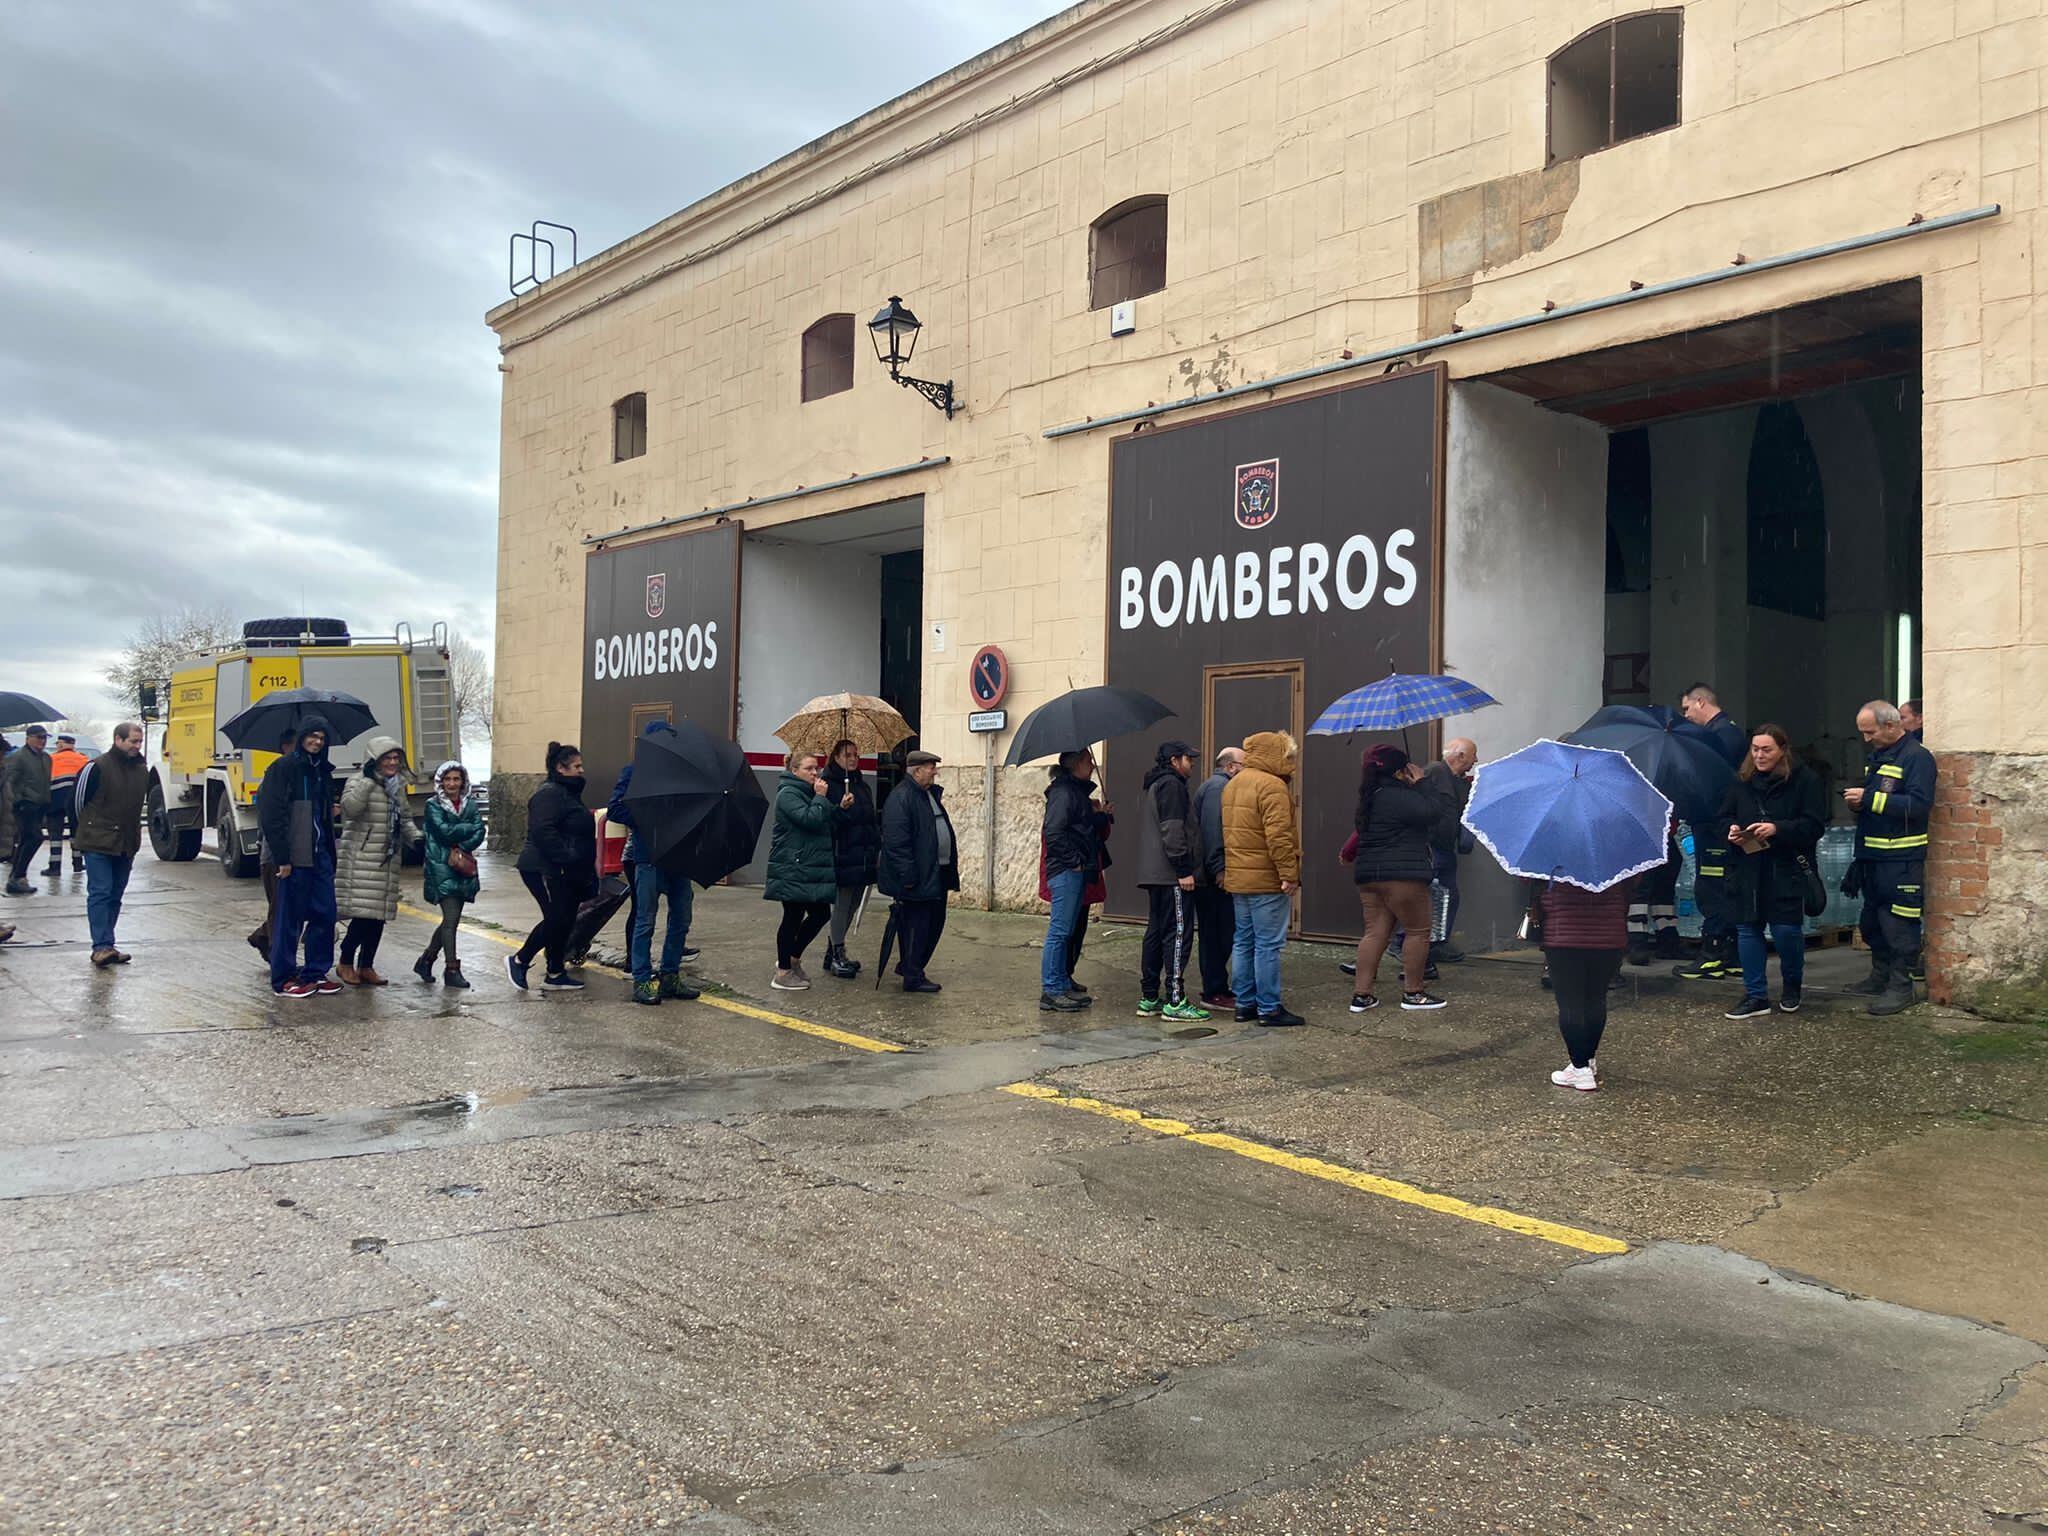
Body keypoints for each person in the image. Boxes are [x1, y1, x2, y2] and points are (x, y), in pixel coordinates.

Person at [1717, 725, 1826, 1020]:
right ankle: (1755, 996)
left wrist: (1778, 828)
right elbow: (1725, 814)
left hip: (1786, 866)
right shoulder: (1741, 782)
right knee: (1747, 930)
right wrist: (1730, 830)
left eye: (1767, 750)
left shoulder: (1805, 781)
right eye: (1755, 749)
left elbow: (1815, 825)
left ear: (1782, 750)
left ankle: (1792, 986)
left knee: (1785, 931)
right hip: (1748, 868)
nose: (1760, 755)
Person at [1341, 744, 1454, 1012]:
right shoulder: (1399, 796)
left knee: (1374, 933)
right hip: (1404, 875)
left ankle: (1362, 995)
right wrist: (1423, 783)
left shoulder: (1370, 796)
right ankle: (1414, 993)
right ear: (1400, 770)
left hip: (1370, 876)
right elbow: (1433, 812)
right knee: (1417, 931)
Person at [1844, 700, 1935, 1017]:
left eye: (1870, 732)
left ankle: (1902, 986)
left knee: (1899, 926)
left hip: (1901, 859)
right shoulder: (1880, 757)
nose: (1867, 739)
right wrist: (1861, 805)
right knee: (1872, 924)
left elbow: (1918, 806)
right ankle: (1879, 976)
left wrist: (1869, 798)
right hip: (1873, 856)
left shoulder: (1917, 758)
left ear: (1891, 726)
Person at [605, 722, 702, 1006]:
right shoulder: (634, 771)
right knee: (645, 919)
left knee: (681, 918)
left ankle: (670, 975)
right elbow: (615, 809)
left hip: (680, 856)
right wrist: (651, 817)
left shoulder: (683, 774)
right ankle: (642, 978)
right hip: (649, 857)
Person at [255, 716, 342, 999]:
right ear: (302, 737)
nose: (317, 742)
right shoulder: (283, 768)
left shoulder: (322, 771)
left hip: (320, 855)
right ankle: (284, 978)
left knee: (325, 914)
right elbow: (271, 815)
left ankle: (315, 972)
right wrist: (283, 858)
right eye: (312, 736)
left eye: (321, 737)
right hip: (296, 856)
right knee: (288, 920)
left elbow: (320, 814)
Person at [1222, 731, 1303, 1028]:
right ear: (1274, 755)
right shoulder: (1272, 786)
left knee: (1243, 941)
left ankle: (1244, 1004)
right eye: (1288, 756)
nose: (1292, 763)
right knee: (1268, 944)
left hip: (1239, 877)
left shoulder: (1235, 784)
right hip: (1266, 879)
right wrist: (1289, 874)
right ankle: (1269, 1008)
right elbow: (1278, 837)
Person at [508, 742, 595, 993]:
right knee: (556, 918)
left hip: (564, 870)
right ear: (561, 767)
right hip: (544, 868)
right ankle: (520, 960)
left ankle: (555, 971)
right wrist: (568, 857)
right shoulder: (550, 794)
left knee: (564, 919)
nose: (581, 770)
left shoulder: (567, 793)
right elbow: (543, 831)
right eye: (576, 766)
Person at [1674, 684, 1747, 981]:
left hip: (1714, 823)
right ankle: (1731, 954)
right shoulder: (1727, 733)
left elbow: (1712, 781)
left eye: (1687, 708)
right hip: (1716, 822)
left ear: (1701, 702)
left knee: (1713, 887)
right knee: (1723, 886)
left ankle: (1713, 952)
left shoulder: (1720, 737)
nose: (1686, 715)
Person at [1535, 875, 1635, 1091]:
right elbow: (1630, 887)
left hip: (1564, 936)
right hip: (1609, 936)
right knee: (1595, 999)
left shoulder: (1552, 853)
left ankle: (1579, 1070)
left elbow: (1531, 882)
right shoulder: (1616, 851)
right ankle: (1588, 1061)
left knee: (1570, 1003)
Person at [334, 737, 420, 986]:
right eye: (387, 758)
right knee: (363, 916)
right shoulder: (359, 781)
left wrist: (416, 839)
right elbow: (350, 809)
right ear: (375, 760)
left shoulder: (396, 786)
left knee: (379, 916)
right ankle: (345, 962)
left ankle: (367, 965)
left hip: (387, 858)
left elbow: (404, 818)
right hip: (361, 858)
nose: (393, 763)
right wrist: (369, 782)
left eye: (396, 758)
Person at [1132, 740, 1205, 1020]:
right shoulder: (1172, 785)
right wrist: (1184, 869)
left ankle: (1149, 996)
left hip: (1155, 873)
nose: (1193, 763)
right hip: (1171, 875)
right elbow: (1172, 830)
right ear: (1175, 760)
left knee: (1156, 932)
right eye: (1189, 759)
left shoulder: (1155, 784)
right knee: (1177, 933)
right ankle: (1175, 999)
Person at [878, 749, 958, 992]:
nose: (935, 771)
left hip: (936, 872)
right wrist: (909, 876)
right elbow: (896, 842)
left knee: (934, 923)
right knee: (916, 927)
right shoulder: (901, 798)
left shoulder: (927, 794)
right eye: (931, 767)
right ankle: (912, 976)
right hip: (917, 877)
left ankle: (910, 965)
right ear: (917, 770)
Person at [72, 722, 148, 968]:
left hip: (126, 842)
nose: (137, 746)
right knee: (101, 892)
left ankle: (108, 944)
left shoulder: (141, 769)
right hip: (98, 842)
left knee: (115, 894)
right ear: (118, 740)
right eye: (132, 741)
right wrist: (81, 835)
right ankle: (101, 946)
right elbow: (77, 802)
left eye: (139, 742)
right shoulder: (96, 767)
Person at [1039, 749, 1106, 1012]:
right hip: (1066, 871)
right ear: (1076, 764)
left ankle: (1062, 982)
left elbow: (1082, 826)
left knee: (1066, 932)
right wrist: (1074, 861)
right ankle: (1052, 990)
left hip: (1075, 869)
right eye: (1089, 761)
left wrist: (1100, 815)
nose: (1092, 766)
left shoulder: (1074, 792)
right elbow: (1054, 831)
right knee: (1059, 932)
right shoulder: (1063, 793)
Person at [766, 750, 836, 990]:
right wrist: (820, 797)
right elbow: (810, 820)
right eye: (808, 768)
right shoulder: (788, 794)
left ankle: (792, 958)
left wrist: (839, 807)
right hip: (792, 865)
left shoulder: (807, 792)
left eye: (816, 768)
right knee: (792, 917)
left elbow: (824, 818)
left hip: (806, 866)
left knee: (821, 914)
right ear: (794, 771)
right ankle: (783, 972)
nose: (814, 772)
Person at [414, 759, 487, 990]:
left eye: (456, 779)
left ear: (463, 781)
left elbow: (480, 831)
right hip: (441, 867)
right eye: (447, 779)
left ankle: (426, 960)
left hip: (463, 865)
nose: (452, 784)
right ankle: (452, 969)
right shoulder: (433, 805)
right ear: (440, 782)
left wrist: (463, 837)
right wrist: (467, 829)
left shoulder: (470, 804)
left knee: (450, 920)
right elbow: (444, 832)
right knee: (452, 918)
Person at [823, 738, 880, 980]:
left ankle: (833, 950)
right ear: (836, 757)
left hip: (863, 854)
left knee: (854, 903)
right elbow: (827, 821)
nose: (853, 758)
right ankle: (837, 953)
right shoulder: (829, 785)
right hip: (842, 852)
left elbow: (869, 818)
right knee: (842, 904)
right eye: (848, 755)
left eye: (856, 754)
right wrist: (842, 808)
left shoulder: (861, 784)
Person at [1189, 746, 1242, 1008]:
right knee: (1217, 933)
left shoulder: (1217, 786)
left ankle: (1218, 986)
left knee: (1221, 932)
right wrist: (1219, 868)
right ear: (1230, 767)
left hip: (1211, 874)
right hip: (1212, 878)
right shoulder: (1217, 789)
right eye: (1244, 764)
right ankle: (1214, 990)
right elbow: (1212, 831)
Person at [248, 727, 302, 959]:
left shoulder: (302, 776)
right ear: (285, 748)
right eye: (295, 745)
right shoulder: (275, 778)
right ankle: (276, 956)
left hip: (299, 852)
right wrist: (282, 858)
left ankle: (263, 937)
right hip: (275, 856)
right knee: (280, 909)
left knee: (291, 907)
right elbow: (272, 822)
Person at [4, 724, 53, 895]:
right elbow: (9, 781)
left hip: (40, 805)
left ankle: (16, 878)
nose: (42, 741)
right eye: (39, 737)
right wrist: (18, 801)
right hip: (24, 805)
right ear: (28, 738)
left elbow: (46, 782)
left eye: (44, 738)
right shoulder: (18, 757)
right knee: (35, 837)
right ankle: (18, 875)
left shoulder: (46, 758)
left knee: (27, 839)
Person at [44, 732, 88, 875]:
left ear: (61, 744)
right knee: (76, 832)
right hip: (75, 801)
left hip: (55, 800)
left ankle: (54, 867)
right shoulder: (83, 759)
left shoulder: (51, 759)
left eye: (57, 744)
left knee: (55, 834)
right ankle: (78, 864)